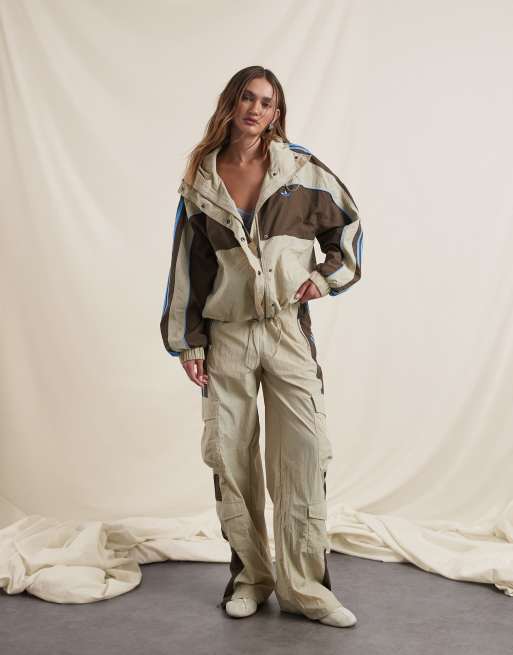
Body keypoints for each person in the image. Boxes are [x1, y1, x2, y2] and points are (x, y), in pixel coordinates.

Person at [160, 66, 363, 628]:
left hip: (287, 331)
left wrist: (324, 278)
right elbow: (187, 268)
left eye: (267, 102)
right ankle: (250, 578)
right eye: (247, 98)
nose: (255, 109)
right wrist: (188, 343)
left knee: (305, 453)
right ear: (231, 103)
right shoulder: (201, 180)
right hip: (226, 335)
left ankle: (307, 590)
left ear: (277, 113)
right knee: (231, 457)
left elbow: (348, 228)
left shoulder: (300, 171)